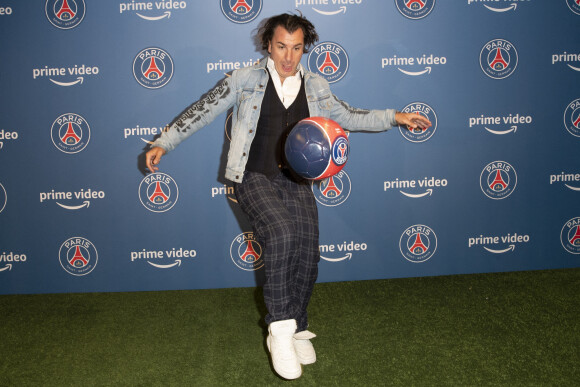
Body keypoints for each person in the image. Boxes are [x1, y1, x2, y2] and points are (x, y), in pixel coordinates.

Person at [145, 13, 431, 380]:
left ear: (303, 49)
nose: (288, 57)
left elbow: (348, 116)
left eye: (296, 48)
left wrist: (396, 116)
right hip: (251, 176)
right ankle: (279, 329)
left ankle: (296, 327)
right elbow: (202, 110)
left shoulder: (315, 85)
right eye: (281, 46)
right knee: (280, 233)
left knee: (308, 253)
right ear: (269, 45)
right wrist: (163, 143)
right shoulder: (243, 80)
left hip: (296, 180)